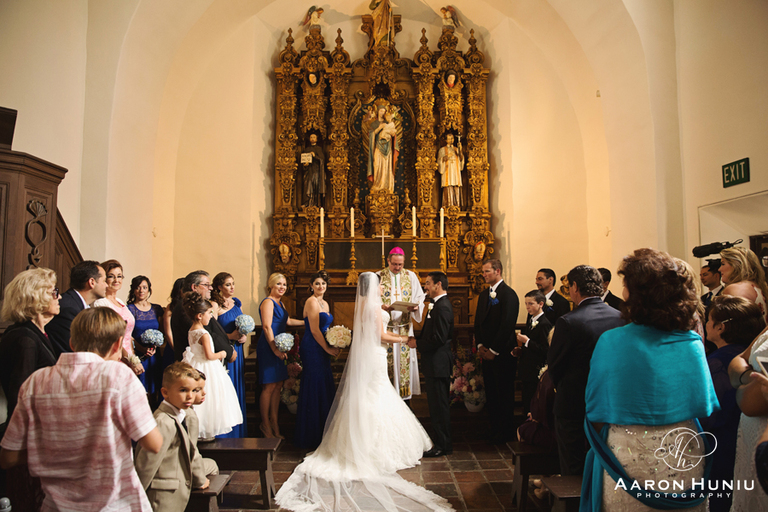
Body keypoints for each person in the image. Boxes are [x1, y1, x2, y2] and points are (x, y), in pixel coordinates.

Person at [276, 272, 450, 512]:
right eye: (380, 285)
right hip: (377, 352)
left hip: (373, 354)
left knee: (372, 395)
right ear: (374, 286)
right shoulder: (376, 308)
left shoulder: (367, 306)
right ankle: (374, 447)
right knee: (377, 394)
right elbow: (380, 334)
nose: (382, 288)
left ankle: (359, 440)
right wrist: (403, 339)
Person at [581, 249, 720, 511]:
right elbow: (703, 405)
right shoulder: (691, 343)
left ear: (638, 295)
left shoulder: (612, 341)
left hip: (627, 456)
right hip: (683, 451)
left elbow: (595, 409)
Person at [0, 307, 163, 511]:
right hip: (114, 504)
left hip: (56, 506)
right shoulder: (118, 375)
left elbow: (8, 457)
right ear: (117, 345)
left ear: (71, 343)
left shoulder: (36, 381)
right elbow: (154, 443)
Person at [547, 264, 624, 476]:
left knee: (573, 465)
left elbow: (554, 366)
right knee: (605, 462)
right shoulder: (620, 317)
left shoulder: (569, 321)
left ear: (574, 287)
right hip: (611, 402)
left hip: (573, 403)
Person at [699, 295, 766, 512]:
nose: (706, 324)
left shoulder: (715, 363)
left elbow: (708, 413)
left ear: (720, 328)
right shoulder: (741, 353)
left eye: (709, 319)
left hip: (724, 444)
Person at [0, 268, 59, 510]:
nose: (59, 296)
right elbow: (19, 395)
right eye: (53, 292)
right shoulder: (24, 338)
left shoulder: (39, 333)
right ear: (35, 296)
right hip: (28, 438)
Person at [134, 362, 216, 511]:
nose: (190, 396)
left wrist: (199, 479)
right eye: (183, 390)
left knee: (212, 466)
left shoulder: (186, 413)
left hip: (179, 479)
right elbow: (146, 464)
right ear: (165, 393)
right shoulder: (163, 422)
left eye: (194, 390)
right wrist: (135, 499)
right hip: (163, 494)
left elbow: (192, 452)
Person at [181, 292, 242, 439]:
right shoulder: (204, 334)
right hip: (207, 368)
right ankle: (207, 430)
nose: (211, 316)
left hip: (194, 364)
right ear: (199, 316)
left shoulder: (192, 330)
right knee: (211, 397)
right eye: (209, 313)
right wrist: (222, 354)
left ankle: (199, 430)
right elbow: (209, 355)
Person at [475, 259, 519, 444]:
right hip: (486, 352)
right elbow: (478, 321)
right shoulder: (484, 295)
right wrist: (480, 346)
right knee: (491, 393)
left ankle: (506, 431)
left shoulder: (509, 295)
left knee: (504, 393)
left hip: (502, 353)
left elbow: (507, 324)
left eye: (487, 271)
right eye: (483, 272)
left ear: (498, 271)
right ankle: (494, 429)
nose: (484, 275)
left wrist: (494, 350)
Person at [410, 271, 454, 457]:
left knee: (439, 406)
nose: (425, 287)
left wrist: (417, 344)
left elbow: (439, 337)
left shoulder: (443, 306)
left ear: (438, 285)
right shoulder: (437, 305)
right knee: (436, 405)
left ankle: (444, 445)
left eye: (428, 283)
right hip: (434, 363)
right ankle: (441, 442)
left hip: (439, 364)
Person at [295, 270, 340, 450]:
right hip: (313, 346)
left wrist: (335, 340)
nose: (321, 287)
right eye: (317, 284)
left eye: (323, 284)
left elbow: (326, 329)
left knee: (323, 383)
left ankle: (324, 430)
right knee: (313, 383)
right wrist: (328, 348)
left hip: (321, 346)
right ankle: (310, 435)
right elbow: (314, 330)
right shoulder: (311, 301)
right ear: (311, 286)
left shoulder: (325, 303)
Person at [256, 273, 303, 439]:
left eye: (284, 284)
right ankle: (265, 424)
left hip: (280, 346)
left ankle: (275, 423)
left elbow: (288, 321)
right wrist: (275, 349)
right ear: (271, 286)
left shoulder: (280, 303)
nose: (282, 287)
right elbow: (267, 327)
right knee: (269, 387)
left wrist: (308, 321)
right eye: (278, 284)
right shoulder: (268, 302)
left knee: (278, 386)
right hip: (270, 346)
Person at [377, 247, 426, 402]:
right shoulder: (379, 276)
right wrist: (381, 307)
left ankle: (405, 399)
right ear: (388, 261)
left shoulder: (411, 276)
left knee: (404, 364)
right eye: (394, 264)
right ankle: (387, 397)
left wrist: (417, 307)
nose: (397, 268)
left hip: (404, 326)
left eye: (400, 264)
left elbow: (419, 297)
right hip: (386, 329)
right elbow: (371, 299)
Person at [211, 272, 248, 438]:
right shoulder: (214, 305)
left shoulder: (237, 303)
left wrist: (244, 335)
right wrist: (230, 337)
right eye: (227, 284)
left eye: (233, 283)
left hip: (238, 350)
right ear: (219, 287)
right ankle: (227, 434)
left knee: (238, 386)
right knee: (227, 388)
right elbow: (211, 332)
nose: (232, 287)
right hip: (224, 350)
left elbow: (243, 323)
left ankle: (239, 432)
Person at [45, 260, 107, 357]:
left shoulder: (77, 304)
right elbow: (72, 351)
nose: (106, 285)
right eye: (104, 281)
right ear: (92, 282)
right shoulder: (69, 309)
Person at [171, 271, 234, 365]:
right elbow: (206, 332)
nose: (211, 288)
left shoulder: (198, 306)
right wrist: (228, 351)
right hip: (196, 364)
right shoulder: (185, 308)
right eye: (206, 285)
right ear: (194, 287)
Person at [93, 259, 143, 375]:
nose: (116, 280)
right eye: (111, 276)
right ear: (104, 279)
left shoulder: (120, 302)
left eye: (119, 276)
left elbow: (128, 335)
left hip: (129, 356)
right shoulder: (101, 304)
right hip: (114, 356)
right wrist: (131, 360)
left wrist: (135, 355)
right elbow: (110, 337)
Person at [127, 275, 165, 403]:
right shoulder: (130, 309)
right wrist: (141, 348)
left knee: (155, 385)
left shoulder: (156, 309)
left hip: (154, 354)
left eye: (144, 287)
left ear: (149, 290)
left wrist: (156, 346)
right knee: (140, 389)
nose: (141, 291)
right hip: (137, 354)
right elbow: (128, 334)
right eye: (138, 288)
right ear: (133, 290)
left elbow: (162, 330)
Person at [514, 290, 552, 415]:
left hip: (536, 369)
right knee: (527, 400)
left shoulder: (544, 324)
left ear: (541, 304)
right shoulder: (531, 320)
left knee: (534, 402)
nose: (527, 307)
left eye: (531, 304)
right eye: (526, 304)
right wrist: (520, 350)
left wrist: (527, 341)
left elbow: (546, 349)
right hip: (527, 369)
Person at [720, 246, 768, 321]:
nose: (719, 269)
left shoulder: (736, 289)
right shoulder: (759, 287)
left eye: (723, 264)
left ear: (736, 264)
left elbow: (735, 328)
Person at [367, 106, 398, 193]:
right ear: (377, 112)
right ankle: (377, 185)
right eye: (381, 111)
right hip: (378, 148)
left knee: (387, 166)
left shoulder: (388, 122)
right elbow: (370, 136)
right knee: (377, 166)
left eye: (384, 111)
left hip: (387, 149)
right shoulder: (374, 124)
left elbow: (394, 135)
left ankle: (387, 187)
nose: (382, 113)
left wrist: (393, 134)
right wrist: (379, 128)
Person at [438, 133, 463, 208]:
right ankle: (448, 205)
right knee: (448, 186)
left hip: (455, 171)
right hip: (447, 171)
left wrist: (460, 150)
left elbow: (461, 160)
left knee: (456, 186)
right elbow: (439, 160)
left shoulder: (456, 149)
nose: (451, 140)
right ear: (445, 140)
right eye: (449, 138)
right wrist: (445, 157)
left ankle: (457, 205)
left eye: (452, 138)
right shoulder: (442, 150)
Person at [300, 133, 325, 207]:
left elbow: (322, 160)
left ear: (316, 139)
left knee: (315, 185)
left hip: (316, 170)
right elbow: (303, 161)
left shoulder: (319, 149)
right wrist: (305, 165)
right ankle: (307, 202)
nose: (312, 138)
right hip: (308, 170)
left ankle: (315, 203)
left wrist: (315, 156)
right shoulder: (307, 149)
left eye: (314, 137)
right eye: (311, 137)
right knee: (307, 184)